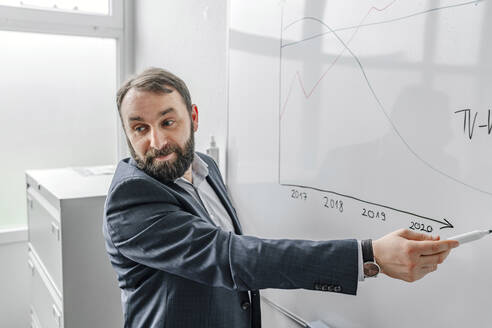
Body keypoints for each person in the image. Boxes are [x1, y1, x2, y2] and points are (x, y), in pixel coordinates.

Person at [102, 67, 459, 328]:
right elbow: (229, 257)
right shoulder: (131, 200)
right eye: (139, 128)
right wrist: (367, 256)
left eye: (168, 122)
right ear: (127, 133)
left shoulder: (205, 166)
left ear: (193, 118)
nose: (157, 141)